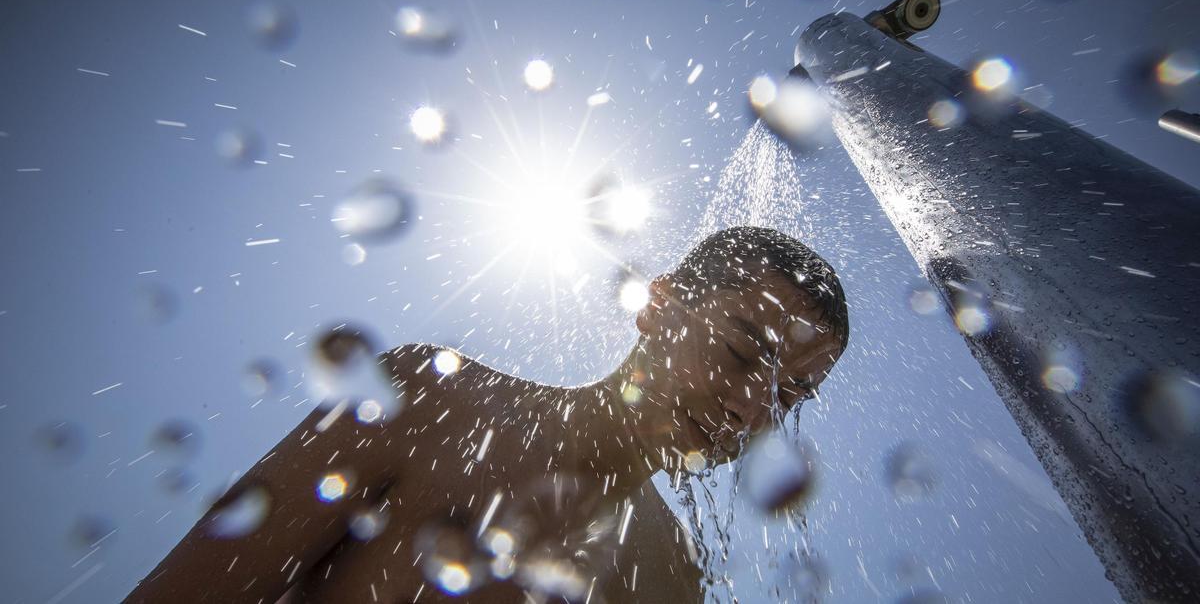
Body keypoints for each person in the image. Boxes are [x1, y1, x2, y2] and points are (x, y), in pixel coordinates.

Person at [127, 226, 849, 603]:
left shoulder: (671, 577)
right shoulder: (426, 404)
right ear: (659, 307)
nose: (750, 407)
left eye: (790, 396)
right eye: (740, 351)